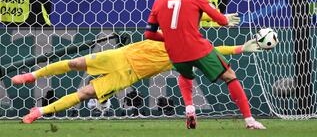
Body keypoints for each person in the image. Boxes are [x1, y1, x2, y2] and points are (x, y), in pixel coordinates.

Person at [11, 38, 262, 123]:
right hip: (120, 56)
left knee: (86, 93)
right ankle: (33, 75)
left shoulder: (186, 50)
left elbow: (215, 50)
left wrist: (241, 48)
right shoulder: (164, 30)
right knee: (77, 63)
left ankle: (39, 111)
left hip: (128, 75)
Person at [144, 0, 265, 129]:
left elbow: (148, 34)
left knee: (186, 75)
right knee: (229, 75)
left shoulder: (158, 2)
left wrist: (172, 39)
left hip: (175, 53)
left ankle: (189, 108)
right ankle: (250, 120)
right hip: (197, 48)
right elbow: (221, 20)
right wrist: (225, 18)